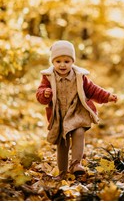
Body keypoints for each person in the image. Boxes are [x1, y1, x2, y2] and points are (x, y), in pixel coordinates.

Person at [36, 40, 117, 180]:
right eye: (58, 61)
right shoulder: (48, 77)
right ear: (52, 62)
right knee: (63, 143)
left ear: (72, 62)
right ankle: (62, 173)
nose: (62, 65)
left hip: (76, 111)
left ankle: (76, 164)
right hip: (59, 114)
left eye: (67, 61)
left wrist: (107, 96)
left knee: (79, 132)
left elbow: (93, 90)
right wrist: (45, 94)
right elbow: (40, 93)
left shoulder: (79, 76)